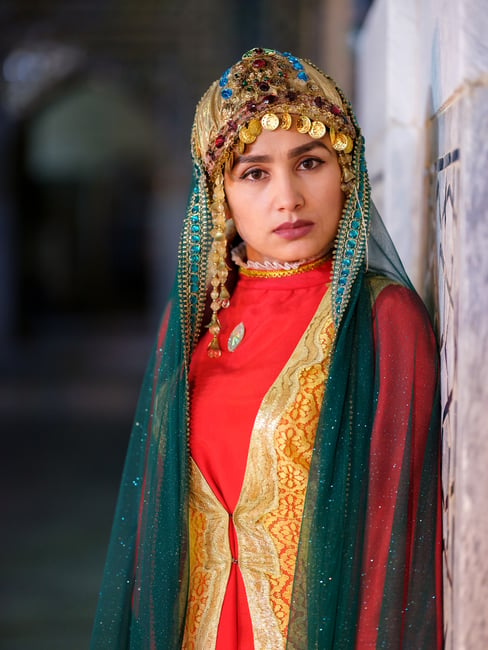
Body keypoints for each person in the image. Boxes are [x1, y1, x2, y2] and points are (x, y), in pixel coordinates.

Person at [90, 48, 442, 649]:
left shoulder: (380, 321)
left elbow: (391, 541)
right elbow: (155, 528)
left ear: (346, 171)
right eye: (254, 172)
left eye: (309, 162)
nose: (288, 197)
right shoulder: (194, 320)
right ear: (219, 195)